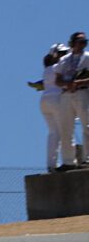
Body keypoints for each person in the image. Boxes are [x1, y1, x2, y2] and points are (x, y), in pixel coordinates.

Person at [56, 32, 89, 169]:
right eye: (80, 41)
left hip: (82, 92)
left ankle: (87, 159)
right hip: (66, 94)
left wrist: (79, 82)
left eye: (85, 41)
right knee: (66, 128)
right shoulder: (64, 59)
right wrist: (67, 84)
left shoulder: (87, 57)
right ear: (73, 43)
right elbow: (57, 79)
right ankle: (68, 161)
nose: (83, 44)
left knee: (87, 125)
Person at [42, 43, 73, 171]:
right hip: (57, 101)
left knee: (53, 133)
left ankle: (51, 164)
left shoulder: (47, 70)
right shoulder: (59, 68)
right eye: (62, 53)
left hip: (45, 101)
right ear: (55, 55)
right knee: (66, 130)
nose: (64, 56)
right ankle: (70, 160)